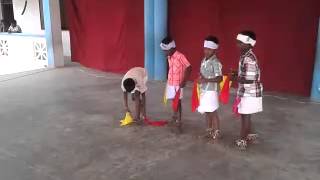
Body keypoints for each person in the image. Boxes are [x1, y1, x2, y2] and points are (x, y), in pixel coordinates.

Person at [230, 30, 263, 150]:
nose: (237, 45)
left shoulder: (249, 58)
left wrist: (234, 78)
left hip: (250, 92)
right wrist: (237, 73)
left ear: (249, 44)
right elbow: (246, 74)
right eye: (237, 42)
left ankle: (243, 140)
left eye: (240, 42)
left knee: (246, 116)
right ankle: (250, 134)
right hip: (247, 91)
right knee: (245, 115)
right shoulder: (245, 56)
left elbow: (249, 80)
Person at [160, 36, 192, 133]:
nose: (164, 52)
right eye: (164, 50)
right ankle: (175, 117)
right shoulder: (169, 57)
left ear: (172, 48)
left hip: (178, 84)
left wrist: (184, 80)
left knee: (178, 101)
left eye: (166, 50)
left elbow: (189, 67)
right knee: (174, 101)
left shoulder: (180, 56)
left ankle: (178, 120)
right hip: (171, 82)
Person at [197, 36, 223, 141]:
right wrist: (201, 78)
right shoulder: (204, 60)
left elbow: (219, 78)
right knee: (207, 111)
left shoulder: (215, 62)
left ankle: (217, 133)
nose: (206, 51)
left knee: (213, 112)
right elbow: (204, 75)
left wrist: (206, 80)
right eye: (205, 49)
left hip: (211, 90)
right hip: (204, 89)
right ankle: (209, 131)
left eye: (209, 49)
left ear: (214, 49)